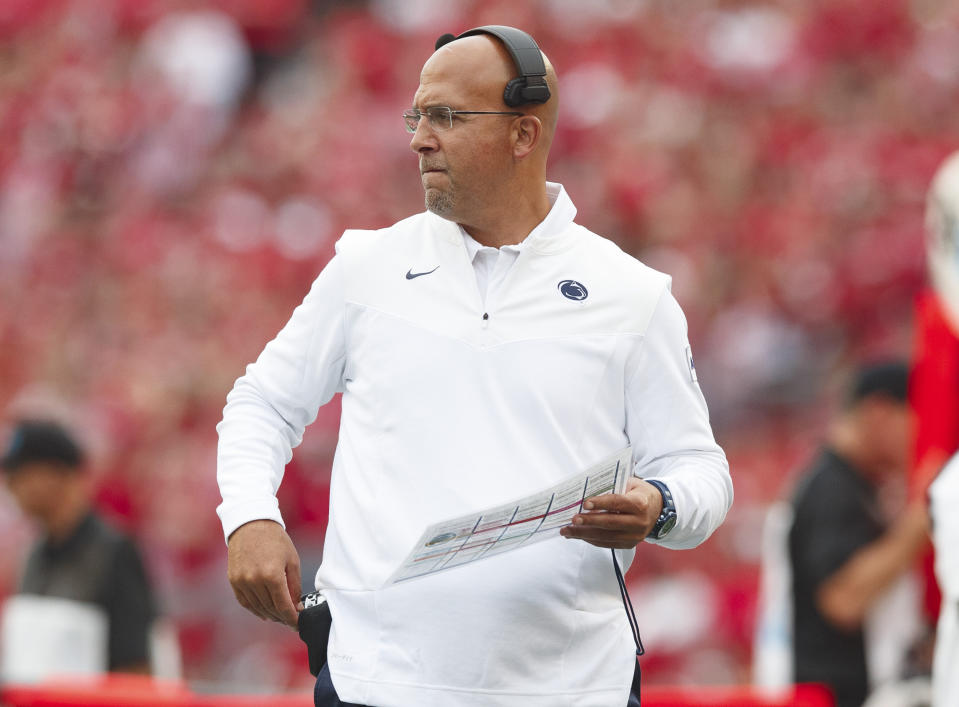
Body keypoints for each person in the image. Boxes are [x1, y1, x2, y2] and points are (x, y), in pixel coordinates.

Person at [217, 26, 733, 707]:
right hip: (378, 681)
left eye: (446, 116)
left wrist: (658, 504)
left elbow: (699, 470)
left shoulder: (629, 295)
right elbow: (262, 402)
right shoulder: (364, 268)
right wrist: (250, 516)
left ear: (524, 135)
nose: (418, 137)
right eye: (418, 114)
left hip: (569, 690)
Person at [788, 363, 929, 707]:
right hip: (836, 694)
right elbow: (842, 599)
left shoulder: (853, 483)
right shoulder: (832, 488)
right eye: (914, 418)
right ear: (880, 412)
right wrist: (916, 528)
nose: (917, 435)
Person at [1, 418, 157, 675]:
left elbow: (136, 667)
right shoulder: (34, 556)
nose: (11, 487)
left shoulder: (113, 552)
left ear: (55, 473)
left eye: (20, 474)